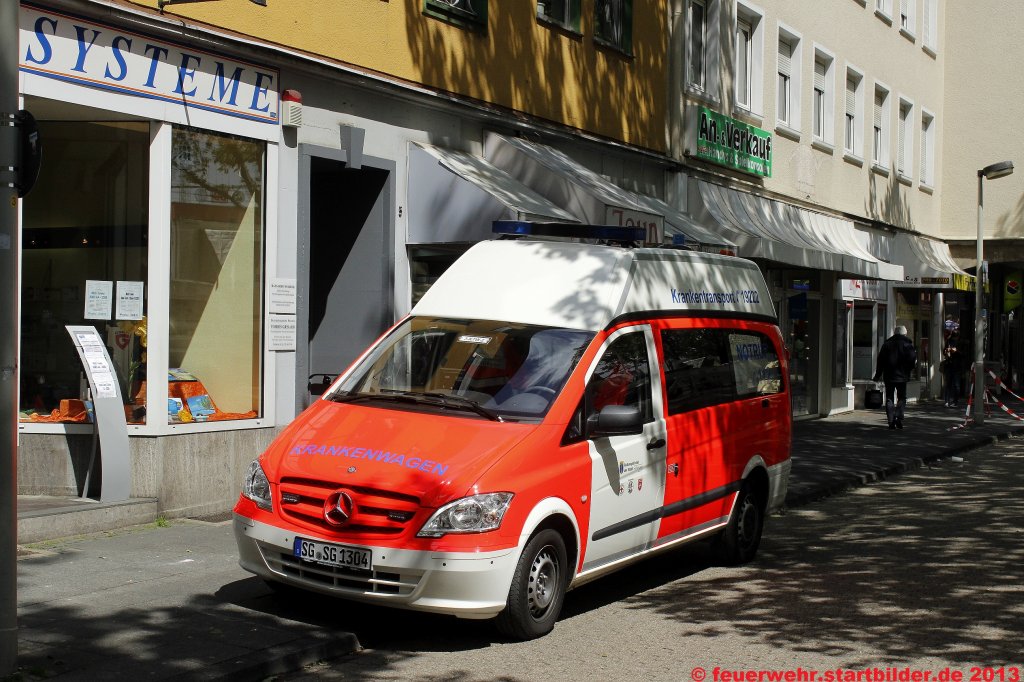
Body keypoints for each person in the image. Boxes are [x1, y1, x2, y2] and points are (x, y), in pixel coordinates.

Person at [873, 325, 918, 429]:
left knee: (889, 398)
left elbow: (880, 361)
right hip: (902, 376)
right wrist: (908, 370)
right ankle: (899, 417)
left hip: (889, 376)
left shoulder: (887, 344)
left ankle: (890, 421)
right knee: (902, 397)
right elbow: (912, 359)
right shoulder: (907, 344)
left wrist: (877, 375)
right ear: (904, 334)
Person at [942, 333, 964, 408]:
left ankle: (955, 401)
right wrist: (946, 351)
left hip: (957, 366)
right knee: (948, 384)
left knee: (956, 385)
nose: (954, 339)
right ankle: (947, 401)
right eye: (953, 338)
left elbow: (963, 354)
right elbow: (944, 351)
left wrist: (956, 351)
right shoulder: (948, 341)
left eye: (955, 338)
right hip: (949, 365)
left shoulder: (961, 343)